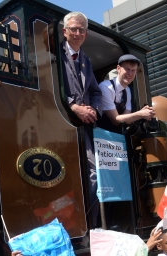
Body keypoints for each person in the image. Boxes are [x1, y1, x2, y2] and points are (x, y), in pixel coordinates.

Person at [60, 12, 102, 226]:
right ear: (64, 31)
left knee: (94, 173)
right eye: (73, 29)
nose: (77, 33)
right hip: (61, 123)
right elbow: (51, 86)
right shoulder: (55, 55)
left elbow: (95, 92)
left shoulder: (86, 60)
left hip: (84, 127)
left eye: (81, 30)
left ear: (85, 34)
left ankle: (90, 223)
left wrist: (93, 109)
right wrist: (74, 107)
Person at [97, 54, 156, 133]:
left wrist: (142, 113)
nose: (130, 73)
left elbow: (126, 119)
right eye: (127, 69)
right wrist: (140, 114)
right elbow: (116, 120)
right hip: (101, 135)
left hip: (117, 136)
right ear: (118, 68)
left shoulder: (127, 90)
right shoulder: (106, 87)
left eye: (133, 70)